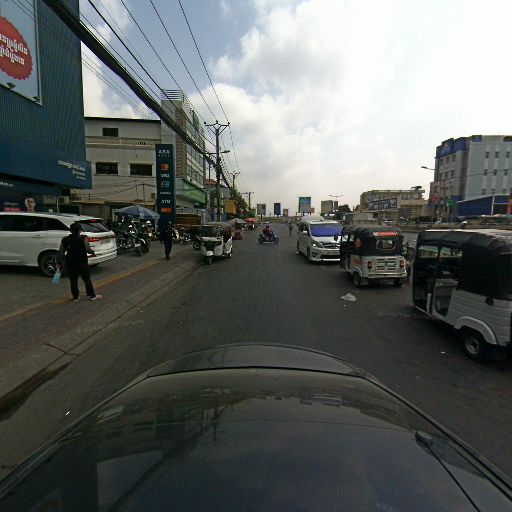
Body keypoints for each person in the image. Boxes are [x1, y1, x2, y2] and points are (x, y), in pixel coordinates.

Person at [57, 222, 102, 302]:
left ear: (70, 230)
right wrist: (93, 253)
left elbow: (61, 252)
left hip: (70, 262)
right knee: (86, 279)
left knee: (73, 280)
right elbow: (87, 249)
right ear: (79, 230)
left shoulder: (65, 239)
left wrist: (59, 262)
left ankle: (75, 297)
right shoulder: (83, 238)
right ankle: (92, 295)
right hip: (82, 261)